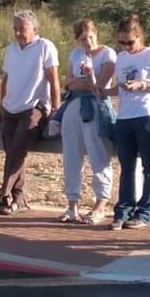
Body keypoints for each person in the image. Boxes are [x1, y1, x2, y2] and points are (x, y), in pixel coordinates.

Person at [0, 10, 60, 215]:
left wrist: (56, 109)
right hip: (10, 107)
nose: (17, 33)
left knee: (17, 150)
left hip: (34, 107)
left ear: (34, 29)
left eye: (22, 29)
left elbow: (53, 79)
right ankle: (17, 200)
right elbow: (6, 79)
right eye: (15, 29)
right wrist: (1, 105)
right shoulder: (11, 49)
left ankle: (3, 193)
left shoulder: (45, 46)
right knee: (13, 154)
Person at [111, 14, 150, 230]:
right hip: (124, 116)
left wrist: (142, 85)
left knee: (149, 167)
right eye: (122, 42)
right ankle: (123, 209)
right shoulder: (121, 58)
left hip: (146, 115)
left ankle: (145, 212)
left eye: (130, 42)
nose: (126, 46)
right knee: (127, 167)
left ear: (140, 37)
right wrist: (101, 90)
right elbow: (118, 87)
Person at [59, 18, 115, 224]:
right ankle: (72, 204)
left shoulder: (108, 53)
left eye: (90, 37)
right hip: (75, 106)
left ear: (96, 34)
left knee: (98, 154)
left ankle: (101, 203)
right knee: (71, 155)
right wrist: (83, 82)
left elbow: (100, 85)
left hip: (97, 107)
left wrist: (83, 82)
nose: (87, 42)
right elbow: (68, 83)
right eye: (83, 39)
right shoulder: (75, 54)